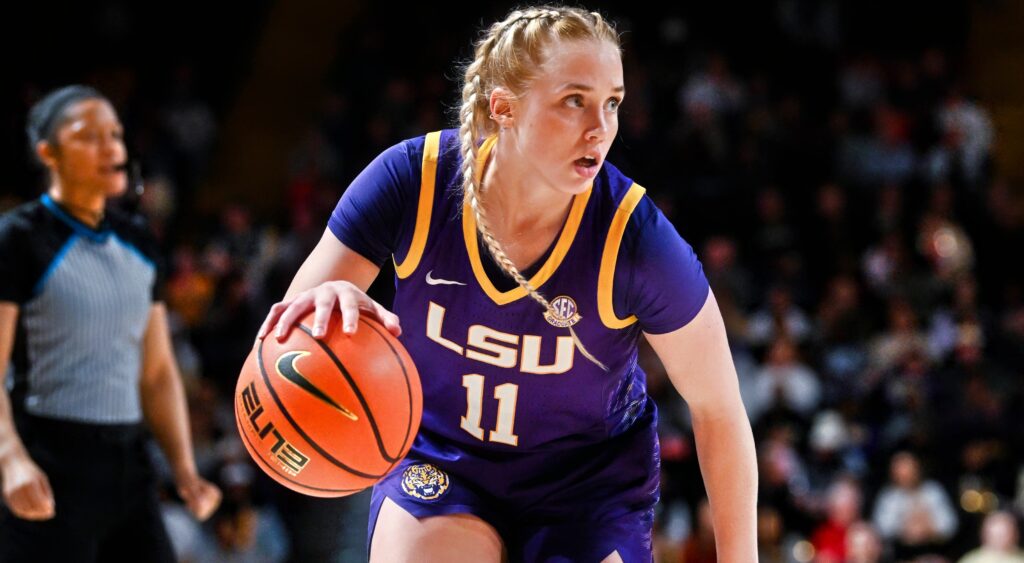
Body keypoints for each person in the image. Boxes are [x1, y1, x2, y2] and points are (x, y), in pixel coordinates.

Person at [259, 6, 757, 561]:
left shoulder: (634, 239)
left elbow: (719, 409)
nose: (601, 126)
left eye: (612, 102)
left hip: (587, 487)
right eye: (575, 100)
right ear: (503, 107)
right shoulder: (414, 181)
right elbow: (280, 342)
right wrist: (319, 311)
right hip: (444, 460)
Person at [0, 85, 221, 562]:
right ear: (48, 153)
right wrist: (10, 459)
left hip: (130, 464)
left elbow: (157, 372)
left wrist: (183, 469)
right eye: (88, 136)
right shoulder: (18, 238)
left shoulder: (139, 240)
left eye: (116, 135)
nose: (111, 149)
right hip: (49, 458)